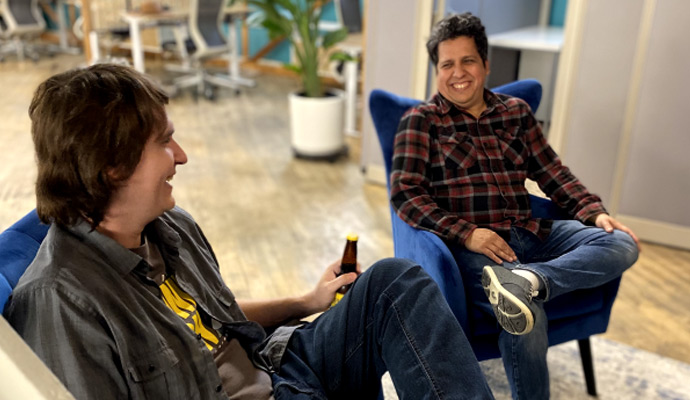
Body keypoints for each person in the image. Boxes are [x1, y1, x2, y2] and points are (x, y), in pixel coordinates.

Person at [5, 63, 495, 400]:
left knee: (394, 282)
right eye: (164, 141)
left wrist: (307, 301)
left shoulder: (169, 226)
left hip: (279, 368)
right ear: (111, 166)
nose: (182, 156)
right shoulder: (61, 301)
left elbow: (217, 317)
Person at [390, 12, 640, 400]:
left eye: (468, 60)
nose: (458, 72)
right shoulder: (420, 122)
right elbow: (406, 195)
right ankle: (522, 291)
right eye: (447, 64)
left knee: (620, 242)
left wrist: (593, 211)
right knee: (524, 314)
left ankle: (532, 280)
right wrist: (468, 234)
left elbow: (552, 172)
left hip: (531, 234)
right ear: (436, 71)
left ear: (486, 64)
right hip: (473, 252)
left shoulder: (516, 113)